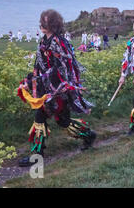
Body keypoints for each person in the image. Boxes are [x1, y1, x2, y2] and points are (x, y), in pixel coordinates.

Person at [17, 9, 96, 167]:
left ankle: (88, 134)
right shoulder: (43, 41)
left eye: (45, 22)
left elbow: (64, 67)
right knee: (43, 117)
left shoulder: (60, 42)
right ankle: (37, 154)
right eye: (41, 22)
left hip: (59, 89)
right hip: (46, 89)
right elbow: (38, 64)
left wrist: (49, 79)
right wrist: (31, 80)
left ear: (53, 24)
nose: (42, 25)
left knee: (61, 120)